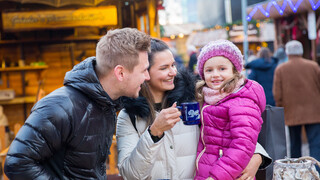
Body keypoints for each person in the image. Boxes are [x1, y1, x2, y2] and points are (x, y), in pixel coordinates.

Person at [4, 28, 151, 179]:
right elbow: (17, 163)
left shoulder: (106, 104)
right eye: (144, 70)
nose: (147, 77)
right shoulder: (59, 107)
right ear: (120, 73)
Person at [116, 39, 271, 180]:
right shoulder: (129, 116)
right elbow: (130, 174)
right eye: (164, 68)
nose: (173, 72)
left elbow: (234, 132)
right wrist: (154, 132)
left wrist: (257, 156)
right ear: (145, 72)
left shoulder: (193, 99)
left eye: (173, 65)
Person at [194, 40, 266, 180]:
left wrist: (216, 177)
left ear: (235, 70)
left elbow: (243, 144)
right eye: (209, 70)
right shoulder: (208, 98)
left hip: (228, 175)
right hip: (207, 170)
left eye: (222, 69)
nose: (215, 74)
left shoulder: (241, 102)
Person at [273, 40, 320, 172]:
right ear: (301, 52)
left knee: (294, 144)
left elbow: (277, 93)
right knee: (315, 143)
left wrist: (281, 108)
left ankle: (296, 172)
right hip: (314, 112)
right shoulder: (313, 66)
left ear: (287, 52)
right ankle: (316, 171)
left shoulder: (281, 69)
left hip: (291, 113)